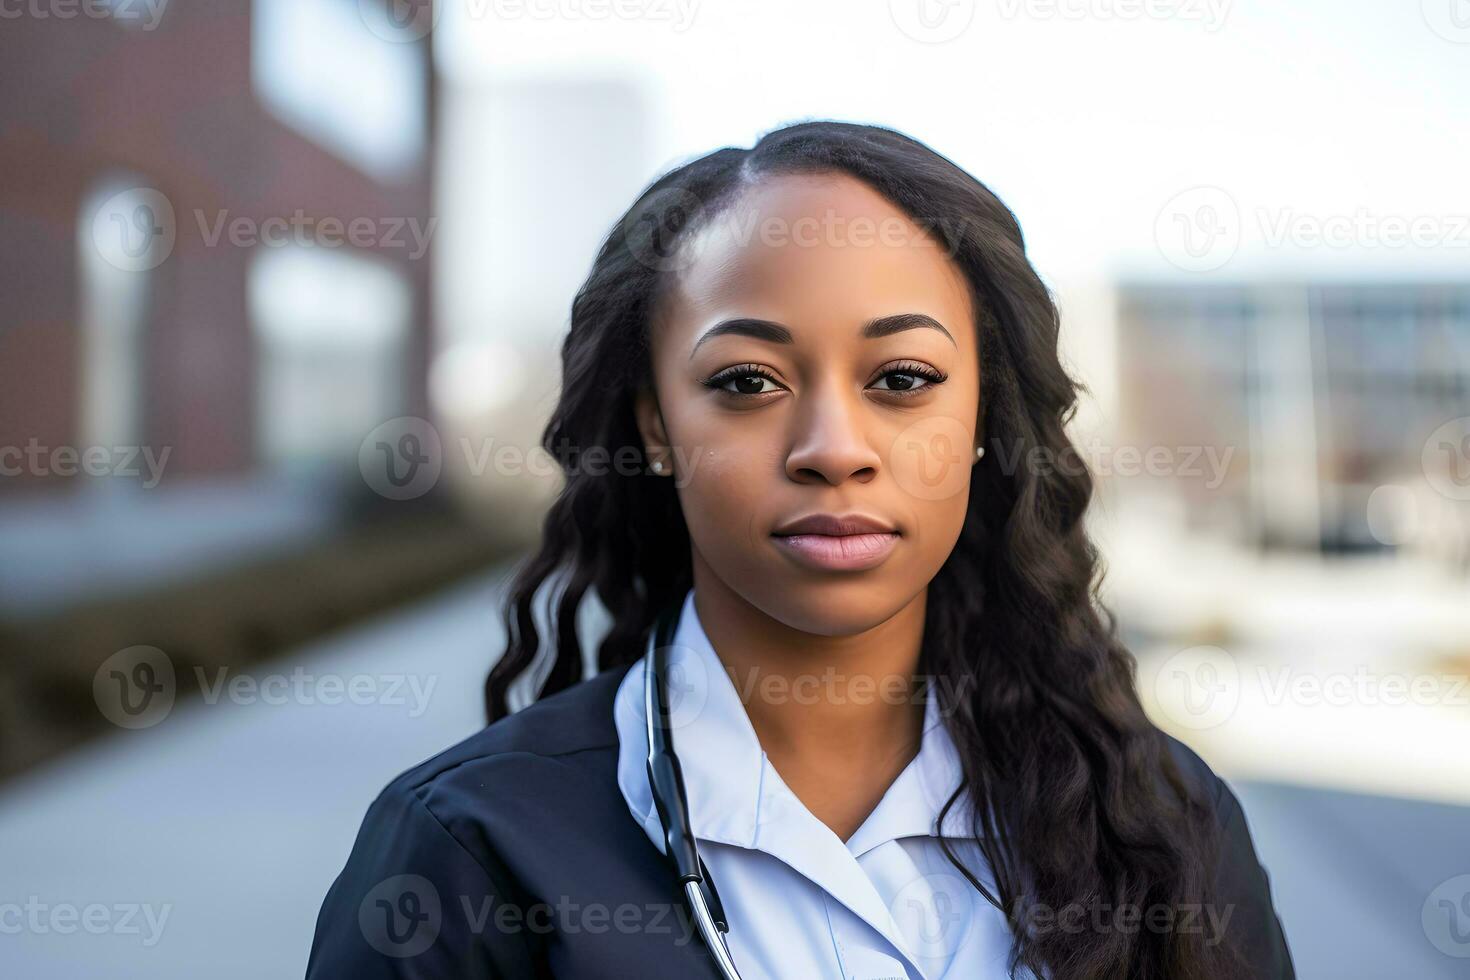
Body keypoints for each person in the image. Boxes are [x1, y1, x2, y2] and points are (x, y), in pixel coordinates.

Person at [305, 120, 1295, 979]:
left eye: (903, 377)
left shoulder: (1163, 826)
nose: (833, 448)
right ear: (653, 426)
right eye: (746, 381)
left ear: (985, 415)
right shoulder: (469, 850)